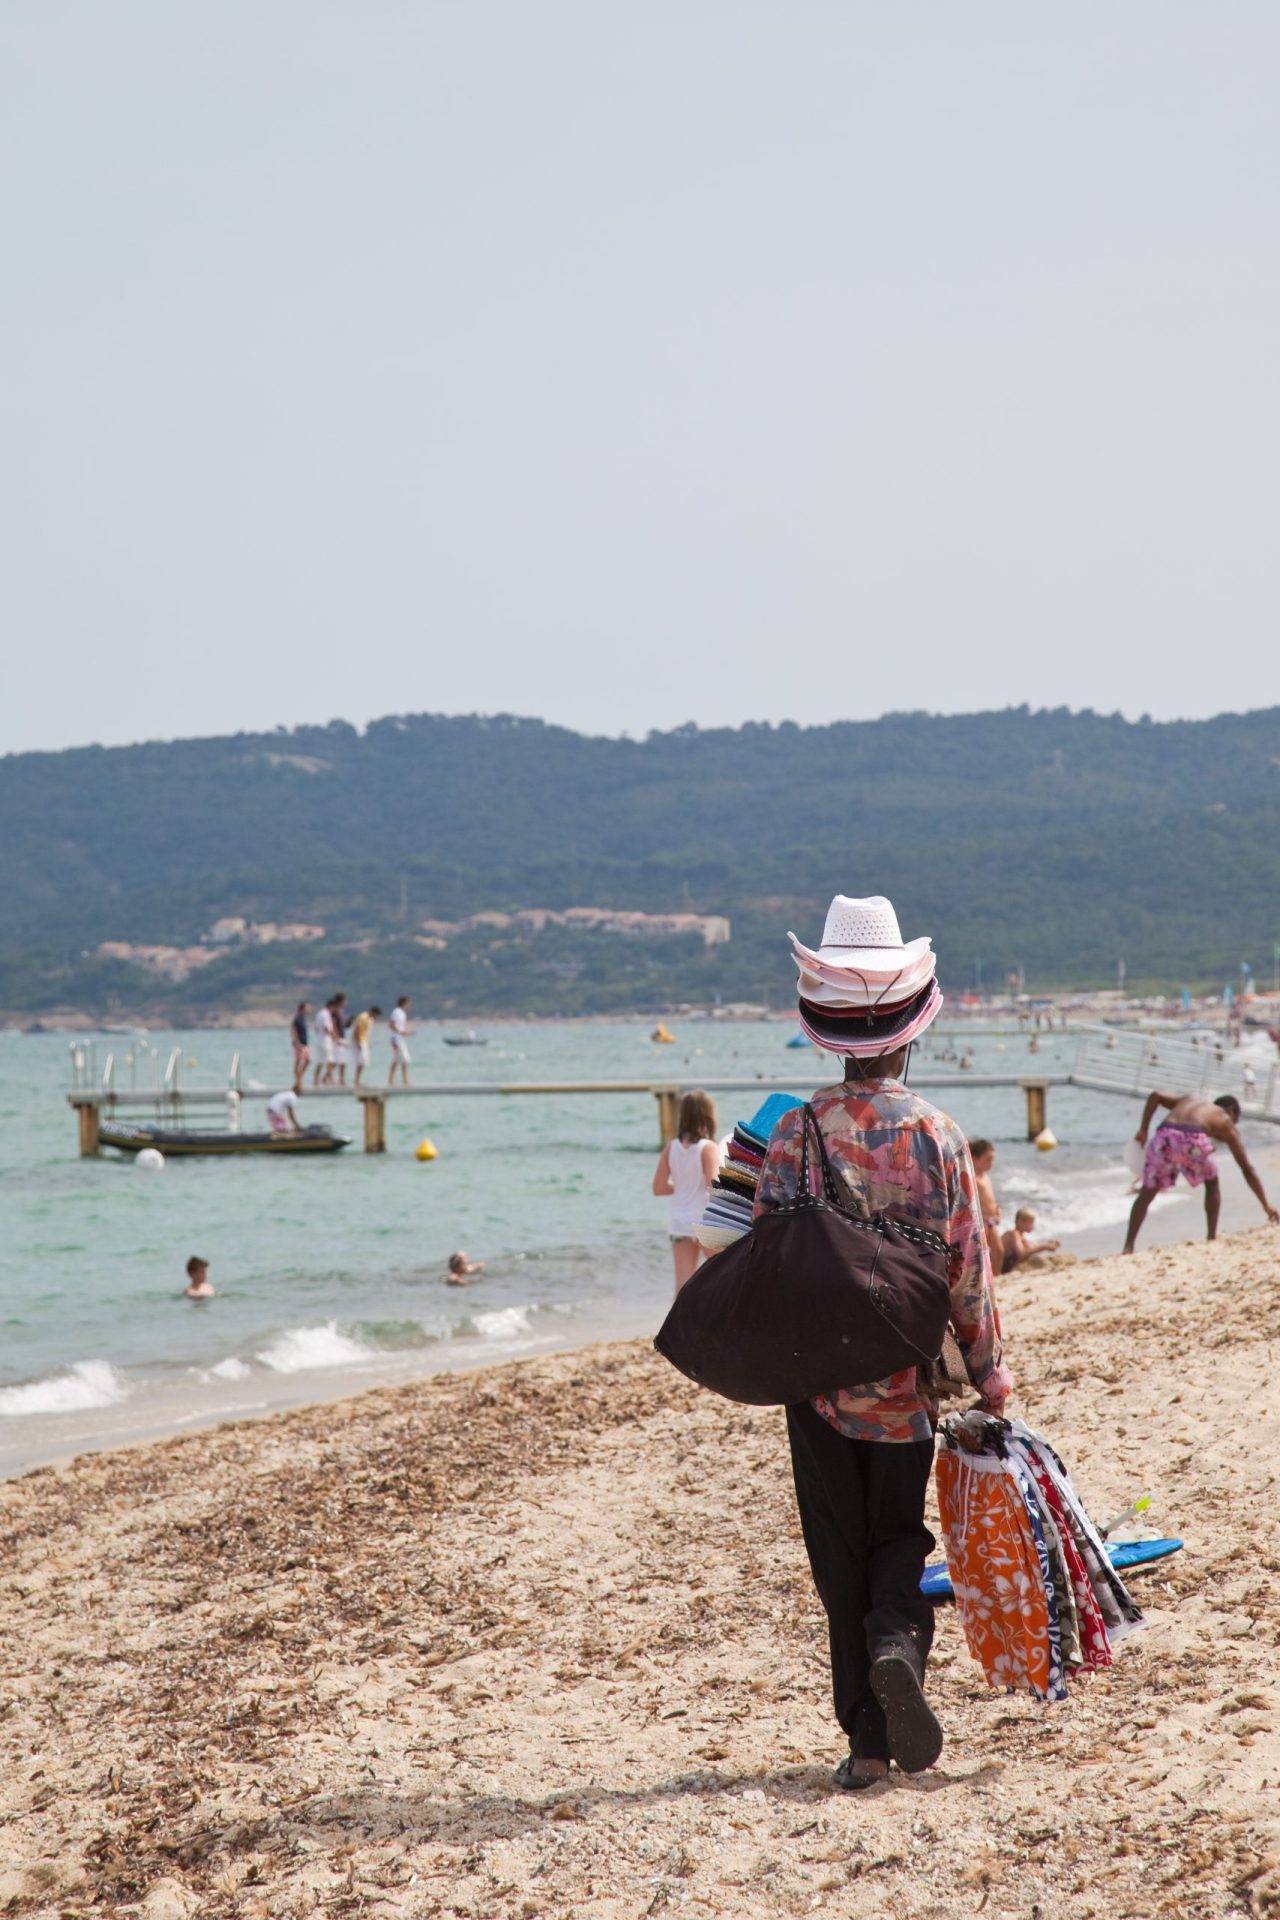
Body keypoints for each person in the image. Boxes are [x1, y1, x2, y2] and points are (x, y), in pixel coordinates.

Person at [757, 893, 1011, 1790]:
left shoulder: (793, 1131)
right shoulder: (938, 1135)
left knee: (839, 1555)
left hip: (819, 1385)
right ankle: (899, 1644)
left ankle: (865, 1746)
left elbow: (760, 1256)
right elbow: (968, 1268)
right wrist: (990, 1373)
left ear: (828, 1032)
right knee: (900, 1536)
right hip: (906, 1381)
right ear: (910, 1030)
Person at [1123, 1091, 1278, 1252]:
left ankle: (1128, 1246)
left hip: (1164, 1135)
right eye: (1235, 1121)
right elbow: (1246, 1168)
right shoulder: (1224, 1118)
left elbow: (1155, 1096)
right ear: (1232, 1110)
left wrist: (1143, 1130)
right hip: (1194, 1138)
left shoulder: (1189, 1099)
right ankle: (1211, 1237)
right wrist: (1265, 1204)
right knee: (1212, 1183)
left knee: (1147, 1191)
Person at [652, 1091, 720, 1292]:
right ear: (708, 1116)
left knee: (682, 1287)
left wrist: (683, 1186)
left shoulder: (670, 1147)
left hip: (679, 1223)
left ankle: (680, 1324)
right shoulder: (708, 1148)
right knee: (720, 1278)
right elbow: (714, 1186)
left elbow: (659, 1188)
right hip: (704, 1223)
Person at [968, 1138, 1004, 1276]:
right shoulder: (973, 1179)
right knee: (980, 1253)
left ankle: (996, 1276)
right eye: (988, 1160)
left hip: (992, 1219)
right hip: (981, 1221)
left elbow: (990, 1198)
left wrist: (996, 1208)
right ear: (975, 1159)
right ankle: (985, 1278)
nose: (991, 1164)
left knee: (999, 1251)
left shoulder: (986, 1177)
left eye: (993, 1160)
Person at [1000, 1208, 1060, 1272]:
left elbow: (1030, 1251)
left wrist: (1048, 1245)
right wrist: (1044, 1247)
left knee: (1030, 1245)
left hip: (1010, 1266)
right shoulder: (1013, 1234)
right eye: (1031, 1222)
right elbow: (1022, 1255)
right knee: (1029, 1246)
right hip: (1004, 1268)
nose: (1033, 1226)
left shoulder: (1021, 1236)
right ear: (1020, 1222)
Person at [352, 1005, 381, 1088]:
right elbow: (357, 1029)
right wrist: (357, 1042)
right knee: (362, 1061)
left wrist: (368, 1043)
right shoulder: (363, 1017)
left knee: (363, 1061)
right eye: (376, 1015)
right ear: (373, 1012)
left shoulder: (370, 1019)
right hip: (359, 1040)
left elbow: (367, 1032)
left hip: (364, 1041)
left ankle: (357, 1079)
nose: (376, 1017)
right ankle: (357, 1080)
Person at [388, 996, 412, 1086]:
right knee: (403, 1059)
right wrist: (401, 1032)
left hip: (400, 1038)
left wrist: (405, 1032)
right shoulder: (396, 1012)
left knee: (399, 1059)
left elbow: (399, 1027)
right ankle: (403, 1081)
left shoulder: (403, 1013)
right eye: (408, 1003)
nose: (409, 1005)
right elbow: (391, 1025)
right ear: (404, 1003)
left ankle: (394, 1080)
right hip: (396, 1039)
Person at [313, 998, 336, 1087]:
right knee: (331, 1061)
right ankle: (328, 1079)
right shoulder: (326, 1014)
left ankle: (316, 1080)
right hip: (325, 1041)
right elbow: (327, 1028)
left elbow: (315, 1028)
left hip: (319, 1040)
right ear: (331, 1006)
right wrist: (334, 1038)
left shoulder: (319, 1013)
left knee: (321, 1061)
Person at [290, 1001, 310, 1095]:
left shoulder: (303, 1018)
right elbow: (293, 1030)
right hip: (299, 1044)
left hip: (305, 1043)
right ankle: (298, 1081)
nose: (308, 1010)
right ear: (302, 1009)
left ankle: (299, 1078)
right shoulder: (297, 1018)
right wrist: (297, 1043)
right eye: (307, 1008)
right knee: (298, 1062)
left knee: (308, 1061)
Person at [331, 993, 350, 1088]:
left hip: (342, 1036)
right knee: (337, 1059)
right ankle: (328, 1076)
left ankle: (341, 1079)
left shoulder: (342, 1011)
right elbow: (333, 1025)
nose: (345, 1002)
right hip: (337, 1038)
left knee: (343, 1060)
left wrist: (349, 1022)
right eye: (344, 1000)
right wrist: (336, 1037)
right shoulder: (335, 1011)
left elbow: (344, 1025)